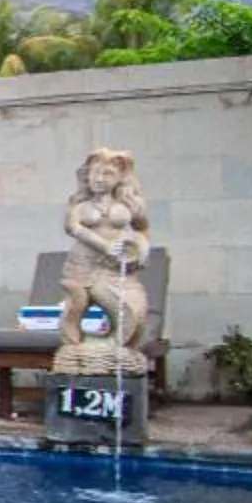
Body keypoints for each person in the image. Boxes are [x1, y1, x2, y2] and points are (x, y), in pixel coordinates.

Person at [59, 147, 150, 353]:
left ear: (121, 177)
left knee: (132, 313)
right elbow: (74, 228)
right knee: (76, 305)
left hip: (115, 267)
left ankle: (114, 351)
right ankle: (75, 350)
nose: (99, 179)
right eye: (94, 173)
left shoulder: (129, 204)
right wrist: (106, 246)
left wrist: (141, 249)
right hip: (83, 265)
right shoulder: (79, 206)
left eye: (107, 174)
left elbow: (142, 228)